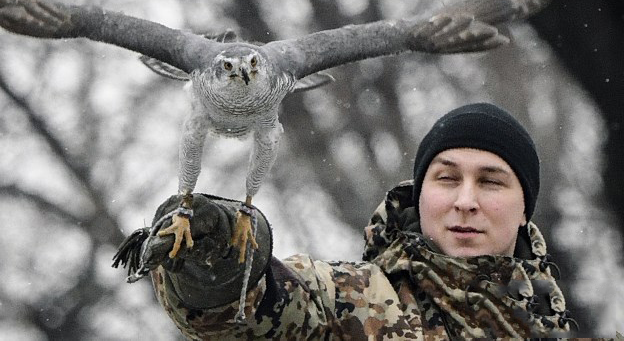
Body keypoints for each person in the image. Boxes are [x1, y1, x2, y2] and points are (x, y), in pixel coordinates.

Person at [114, 103, 573, 338]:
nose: (465, 201)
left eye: (491, 182)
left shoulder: (554, 327)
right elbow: (263, 309)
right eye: (447, 178)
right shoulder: (355, 304)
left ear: (524, 209)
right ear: (421, 195)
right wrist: (222, 258)